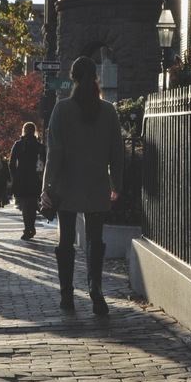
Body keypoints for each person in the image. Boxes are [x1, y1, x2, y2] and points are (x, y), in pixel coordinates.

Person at [42, 56, 124, 315]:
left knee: (66, 241)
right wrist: (116, 183)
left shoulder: (62, 109)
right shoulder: (108, 111)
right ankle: (96, 290)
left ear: (73, 78)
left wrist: (48, 185)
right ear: (96, 76)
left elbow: (54, 152)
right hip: (97, 183)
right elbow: (117, 152)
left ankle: (67, 295)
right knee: (95, 240)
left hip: (67, 185)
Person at [9, 122, 45, 240]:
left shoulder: (18, 144)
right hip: (35, 178)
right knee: (32, 203)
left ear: (23, 130)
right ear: (34, 131)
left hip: (22, 177)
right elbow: (45, 163)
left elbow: (12, 162)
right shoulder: (39, 146)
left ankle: (27, 228)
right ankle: (31, 227)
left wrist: (15, 175)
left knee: (25, 205)